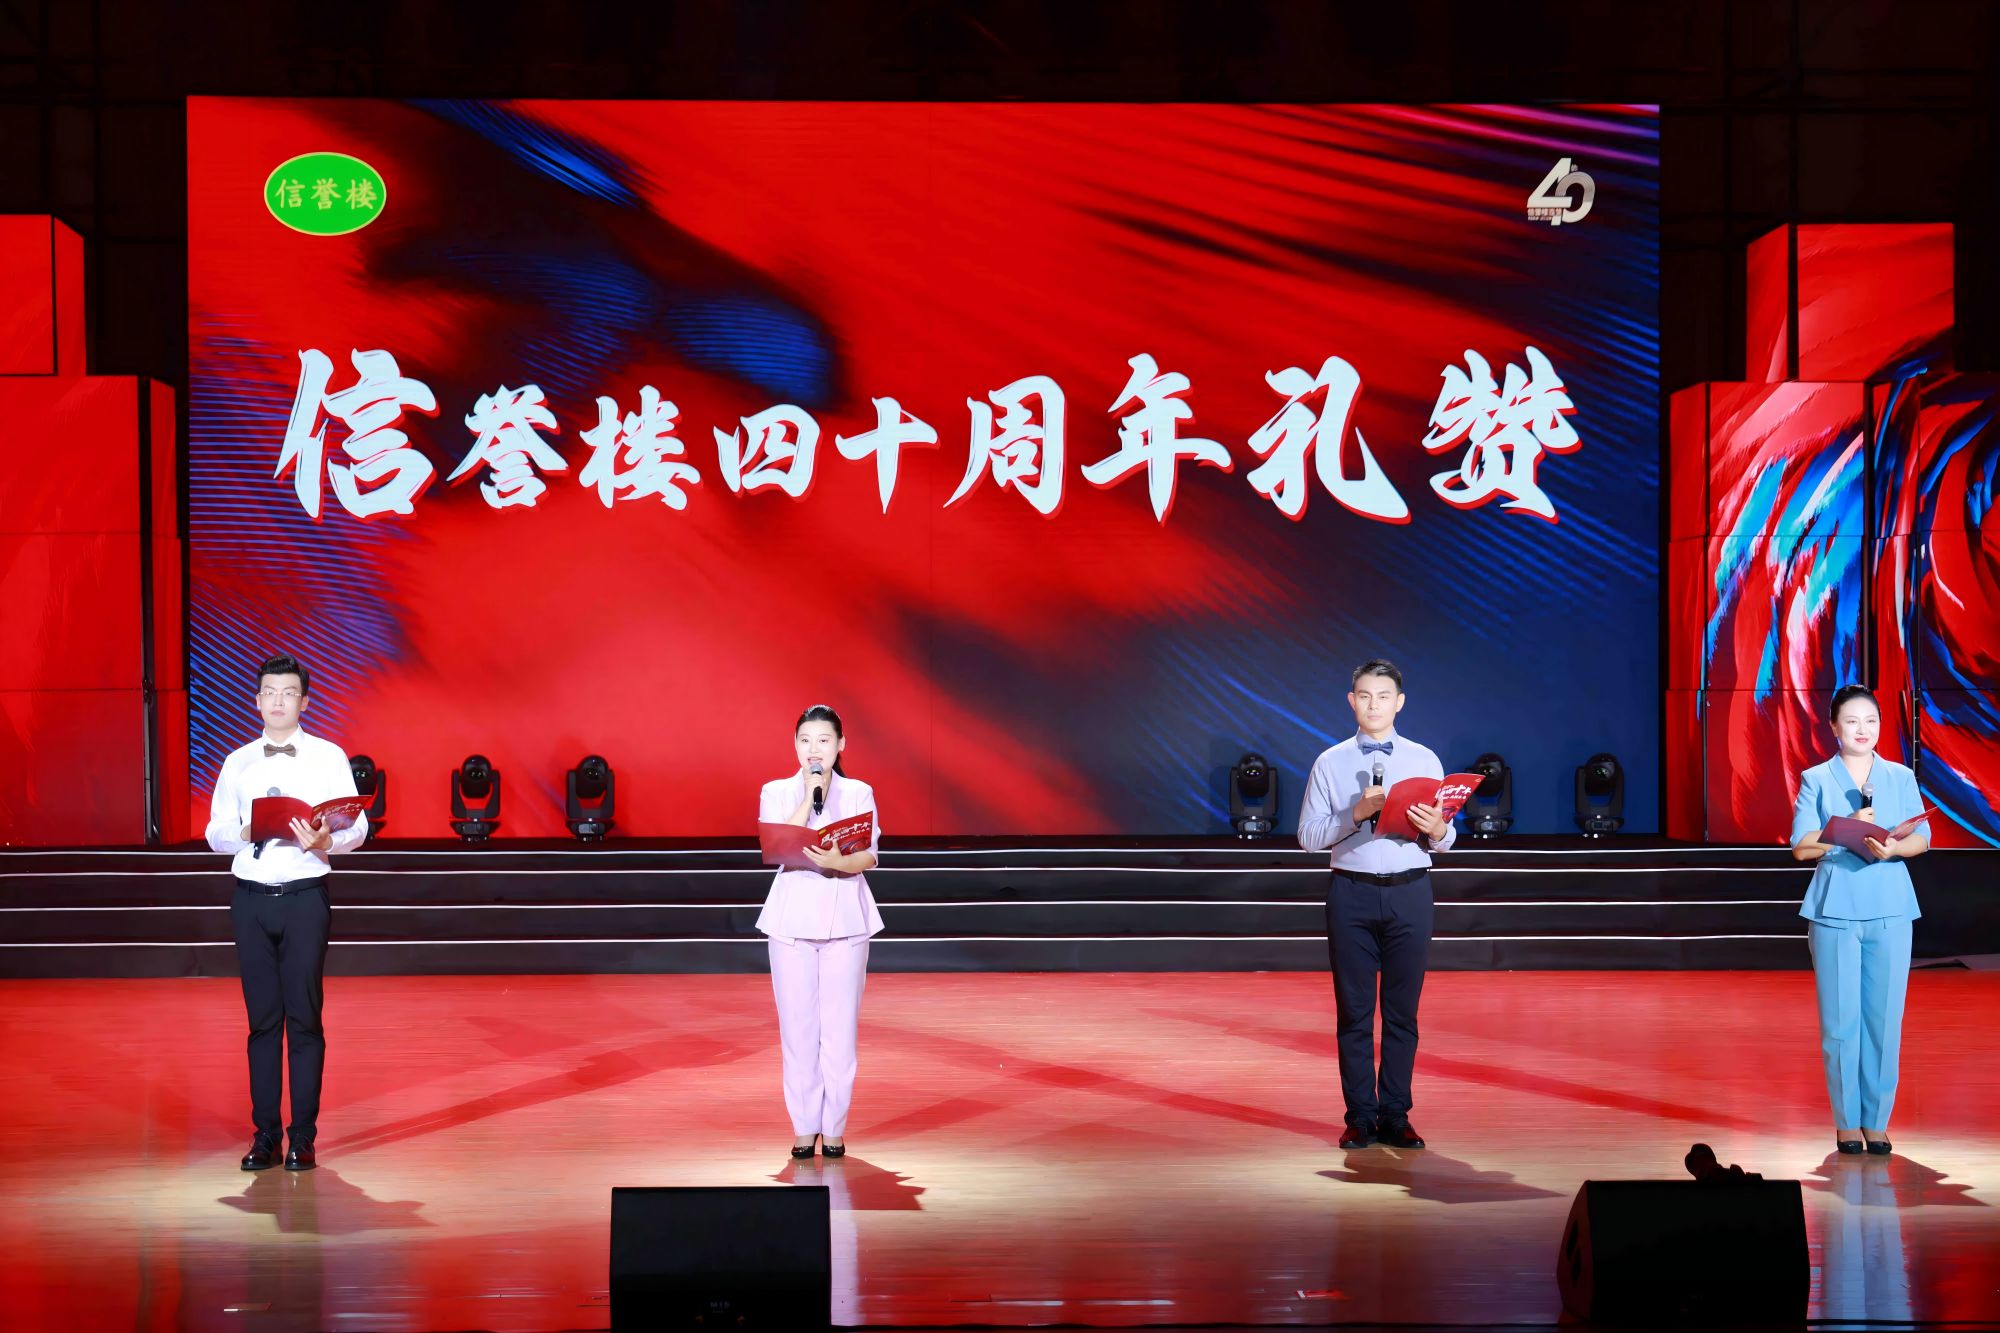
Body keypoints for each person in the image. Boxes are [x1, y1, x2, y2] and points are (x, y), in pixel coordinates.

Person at [203, 653, 367, 1172]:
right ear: (257, 701)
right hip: (251, 899)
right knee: (262, 1023)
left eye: (288, 693)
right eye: (270, 692)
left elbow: (357, 826)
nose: (278, 701)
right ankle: (265, 1136)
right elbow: (214, 833)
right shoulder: (237, 762)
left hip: (304, 897)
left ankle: (303, 1138)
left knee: (304, 1018)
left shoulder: (328, 756)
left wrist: (326, 841)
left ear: (305, 701)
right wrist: (246, 829)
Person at [1298, 659, 1455, 1150]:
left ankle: (1396, 1114)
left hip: (1411, 891)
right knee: (1355, 1013)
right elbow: (1308, 837)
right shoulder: (1330, 762)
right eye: (1364, 696)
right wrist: (1356, 813)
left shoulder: (1425, 759)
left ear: (1399, 702)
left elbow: (1445, 837)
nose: (1374, 705)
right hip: (1351, 892)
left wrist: (1440, 830)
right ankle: (1360, 1117)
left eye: (1383, 696)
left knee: (1402, 1013)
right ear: (1352, 701)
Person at [1788, 684, 1930, 1156]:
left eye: (1870, 721)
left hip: (1891, 908)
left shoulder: (1900, 777)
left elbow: (1923, 838)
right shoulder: (1815, 778)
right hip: (1835, 909)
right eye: (1851, 721)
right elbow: (1800, 847)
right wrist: (1845, 828)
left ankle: (1877, 1121)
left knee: (1884, 1021)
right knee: (1840, 1022)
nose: (1862, 730)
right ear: (1834, 727)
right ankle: (1848, 1122)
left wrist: (1895, 847)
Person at [757, 704, 883, 1159]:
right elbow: (776, 847)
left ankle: (833, 1128)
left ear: (841, 745)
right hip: (791, 920)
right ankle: (804, 1125)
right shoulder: (775, 791)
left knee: (839, 1032)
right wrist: (810, 794)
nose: (815, 749)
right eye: (806, 740)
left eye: (824, 740)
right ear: (795, 745)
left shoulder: (859, 792)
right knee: (798, 1030)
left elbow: (870, 855)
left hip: (845, 918)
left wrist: (839, 862)